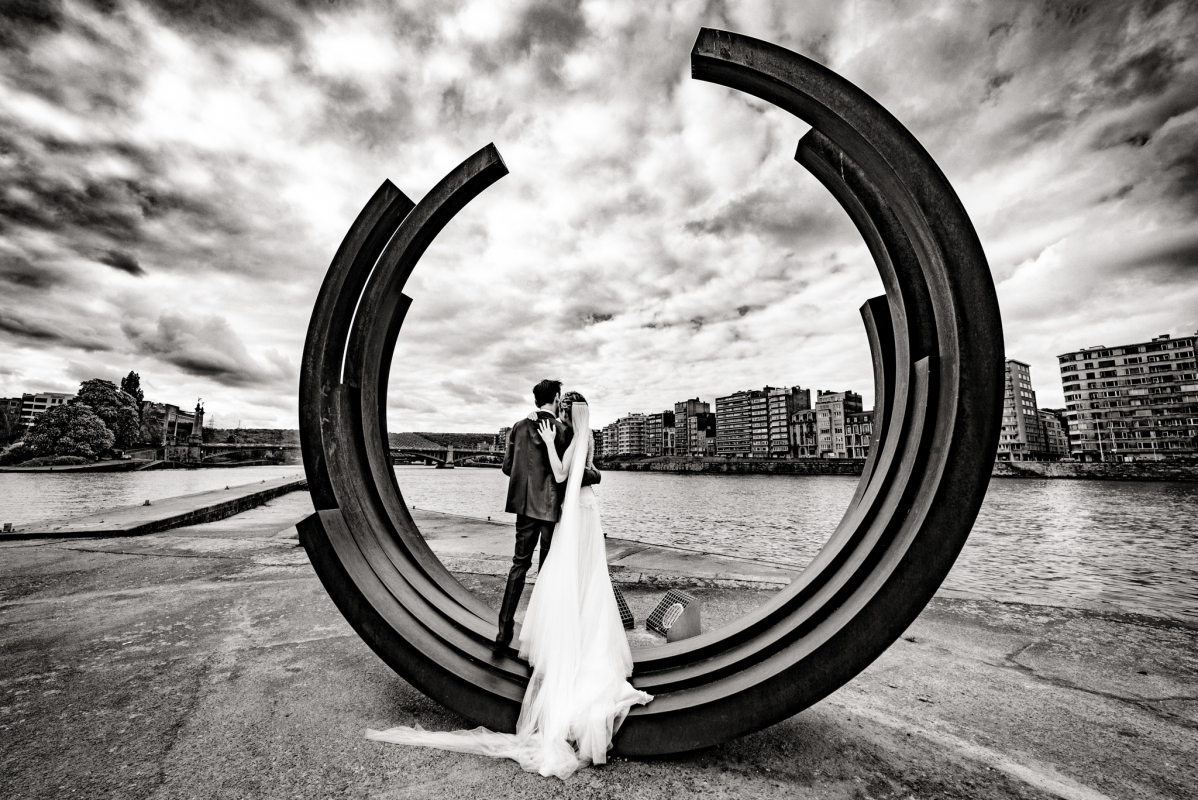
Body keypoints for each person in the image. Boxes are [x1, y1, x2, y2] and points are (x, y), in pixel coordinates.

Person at [366, 393, 650, 779]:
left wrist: (544, 455)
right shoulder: (579, 435)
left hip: (539, 510)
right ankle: (576, 635)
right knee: (575, 575)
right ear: (558, 403)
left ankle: (506, 632)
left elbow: (538, 471)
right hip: (573, 512)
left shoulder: (529, 430)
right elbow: (589, 472)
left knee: (534, 570)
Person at [493, 380, 600, 651]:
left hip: (524, 507)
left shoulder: (518, 427)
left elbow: (508, 468)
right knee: (547, 570)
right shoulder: (563, 430)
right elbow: (566, 475)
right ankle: (544, 634)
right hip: (551, 510)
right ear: (555, 397)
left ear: (535, 401)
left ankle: (503, 633)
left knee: (519, 566)